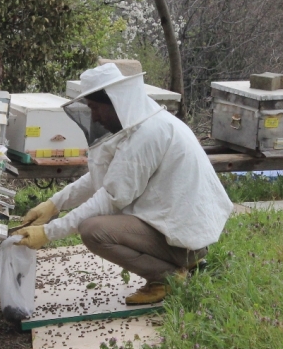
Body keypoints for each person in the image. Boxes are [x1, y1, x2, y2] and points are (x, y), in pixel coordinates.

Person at [14, 63, 233, 305]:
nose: (94, 116)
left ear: (116, 102)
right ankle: (181, 263)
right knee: (98, 222)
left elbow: (111, 196)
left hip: (184, 238)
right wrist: (53, 204)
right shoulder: (148, 124)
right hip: (183, 230)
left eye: (96, 108)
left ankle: (167, 277)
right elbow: (107, 176)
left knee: (94, 230)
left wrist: (48, 232)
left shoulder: (146, 136)